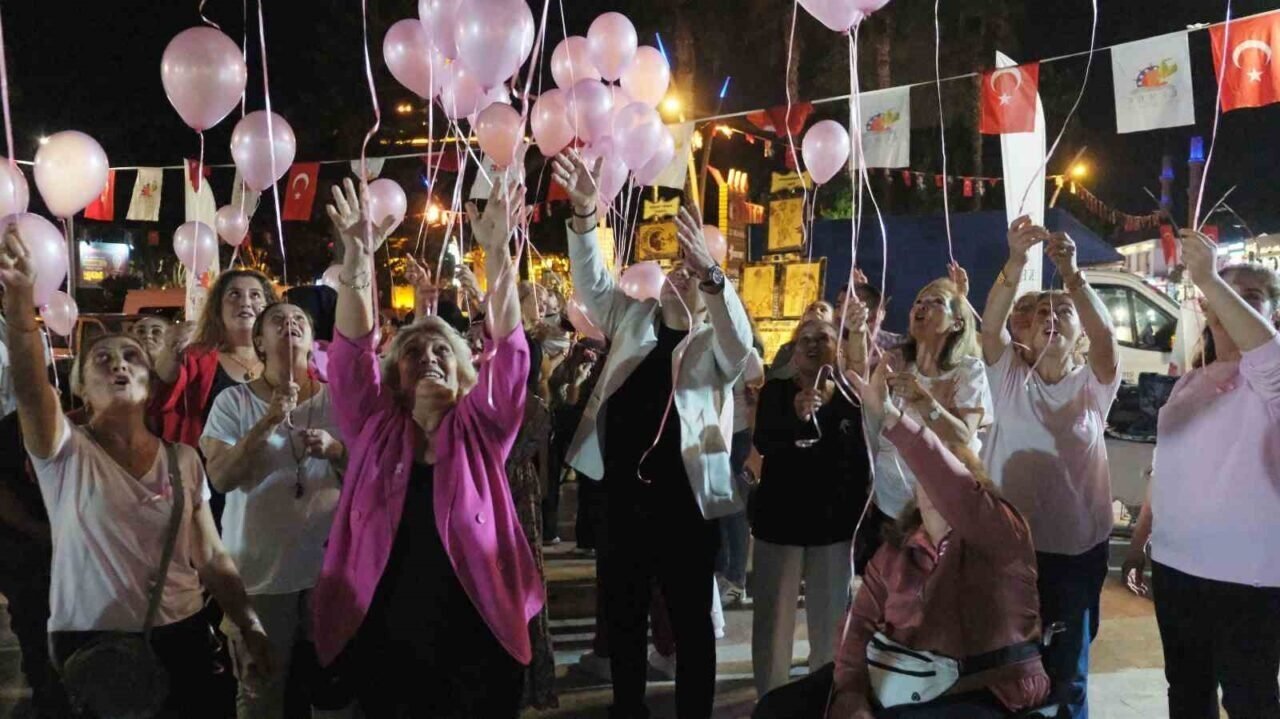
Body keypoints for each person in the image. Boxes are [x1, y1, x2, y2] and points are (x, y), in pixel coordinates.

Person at [0, 225, 273, 717]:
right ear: (81, 388)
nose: (120, 365)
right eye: (102, 359)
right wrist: (21, 314)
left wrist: (248, 622)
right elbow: (31, 388)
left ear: (150, 384)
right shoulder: (65, 453)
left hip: (183, 634)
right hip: (94, 643)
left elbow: (211, 555)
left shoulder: (183, 459)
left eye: (132, 358)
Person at [311, 179, 543, 717]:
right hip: (386, 632)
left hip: (477, 630)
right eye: (413, 352)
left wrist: (498, 252)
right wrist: (357, 256)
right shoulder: (373, 425)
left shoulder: (485, 427)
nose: (429, 358)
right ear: (394, 376)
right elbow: (351, 352)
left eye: (442, 351)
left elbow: (509, 353)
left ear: (465, 375)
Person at [552, 150, 754, 719]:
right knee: (623, 614)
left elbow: (741, 344)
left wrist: (712, 275)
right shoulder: (632, 319)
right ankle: (627, 708)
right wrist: (585, 216)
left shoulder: (714, 343)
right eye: (676, 271)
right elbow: (592, 283)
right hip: (622, 499)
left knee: (690, 622)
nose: (675, 278)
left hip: (686, 504)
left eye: (690, 275)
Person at [753, 361, 1050, 719]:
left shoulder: (1001, 535)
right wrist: (851, 696)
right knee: (775, 708)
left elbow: (952, 484)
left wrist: (893, 417)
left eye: (946, 477)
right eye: (926, 478)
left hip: (984, 688)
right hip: (896, 679)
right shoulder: (896, 552)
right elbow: (857, 629)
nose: (935, 488)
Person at [980, 218, 1120, 719]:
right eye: (1043, 311)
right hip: (1011, 551)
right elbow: (989, 328)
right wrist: (1016, 260)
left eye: (1063, 312)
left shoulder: (1093, 384)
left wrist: (1072, 277)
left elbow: (1106, 336)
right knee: (1009, 667)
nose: (1052, 317)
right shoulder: (1009, 379)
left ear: (1078, 331)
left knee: (1067, 673)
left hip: (1077, 553)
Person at [1143, 233, 1280, 719]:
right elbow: (1167, 467)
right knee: (1185, 692)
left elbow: (1268, 357)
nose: (1234, 301)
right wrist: (1142, 540)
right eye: (1226, 292)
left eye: (1252, 297)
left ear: (1273, 314)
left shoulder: (1271, 380)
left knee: (1249, 700)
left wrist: (1210, 278)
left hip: (1248, 578)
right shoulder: (1189, 381)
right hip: (1175, 568)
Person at [199, 302, 349, 719]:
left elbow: (367, 479)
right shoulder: (233, 402)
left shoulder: (338, 400)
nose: (290, 325)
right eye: (278, 320)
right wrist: (267, 422)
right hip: (260, 577)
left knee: (333, 693)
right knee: (260, 693)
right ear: (259, 342)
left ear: (312, 340)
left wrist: (337, 451)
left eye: (299, 320)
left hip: (327, 575)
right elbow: (221, 478)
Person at [750, 318, 870, 697]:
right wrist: (795, 416)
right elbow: (764, 441)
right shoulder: (776, 391)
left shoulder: (852, 398)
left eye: (824, 338)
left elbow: (862, 456)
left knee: (831, 624)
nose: (814, 345)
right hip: (779, 524)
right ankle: (771, 699)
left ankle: (823, 700)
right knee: (773, 623)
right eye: (805, 339)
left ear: (838, 347)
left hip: (833, 528)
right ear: (794, 349)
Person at [851, 270, 991, 526]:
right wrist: (858, 331)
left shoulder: (968, 370)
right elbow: (858, 371)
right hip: (888, 502)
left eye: (936, 302)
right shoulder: (897, 360)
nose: (922, 306)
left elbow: (961, 435)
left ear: (957, 323)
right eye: (918, 302)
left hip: (939, 507)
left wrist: (924, 401)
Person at [152, 269, 281, 448]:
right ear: (218, 308)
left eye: (255, 295)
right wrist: (171, 350)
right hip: (207, 462)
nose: (245, 302)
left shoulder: (285, 358)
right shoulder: (195, 357)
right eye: (234, 294)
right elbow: (159, 396)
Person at [717, 340, 764, 607]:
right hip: (713, 438)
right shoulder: (706, 345)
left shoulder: (748, 355)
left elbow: (757, 400)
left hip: (739, 437)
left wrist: (755, 449)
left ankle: (737, 579)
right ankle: (723, 571)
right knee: (719, 509)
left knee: (736, 511)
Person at [767, 300, 833, 379]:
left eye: (823, 310)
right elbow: (770, 378)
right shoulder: (788, 348)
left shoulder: (837, 349)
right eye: (811, 309)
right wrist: (792, 366)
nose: (816, 311)